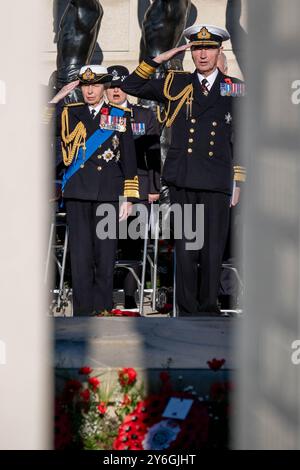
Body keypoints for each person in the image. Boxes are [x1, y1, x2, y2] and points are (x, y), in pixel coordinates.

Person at [122, 24, 246, 316]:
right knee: (187, 247)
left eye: (209, 48)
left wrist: (238, 180)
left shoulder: (235, 87)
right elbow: (130, 86)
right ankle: (186, 307)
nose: (203, 54)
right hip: (184, 177)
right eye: (197, 48)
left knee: (213, 247)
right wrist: (161, 58)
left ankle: (208, 306)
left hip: (216, 178)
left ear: (219, 51)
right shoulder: (176, 83)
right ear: (191, 52)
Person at [49, 65, 140, 316]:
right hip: (78, 192)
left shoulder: (118, 113)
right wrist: (57, 98)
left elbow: (128, 156)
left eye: (96, 85)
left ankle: (103, 310)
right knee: (80, 257)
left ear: (104, 87)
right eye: (86, 85)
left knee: (105, 255)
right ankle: (82, 312)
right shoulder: (70, 112)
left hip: (108, 193)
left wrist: (129, 196)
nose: (90, 90)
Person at [106, 65, 161, 309]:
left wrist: (154, 186)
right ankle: (104, 295)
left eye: (120, 86)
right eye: (111, 86)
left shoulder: (144, 116)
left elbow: (153, 155)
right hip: (104, 188)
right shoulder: (97, 116)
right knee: (105, 243)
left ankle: (130, 297)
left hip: (137, 189)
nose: (116, 91)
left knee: (132, 242)